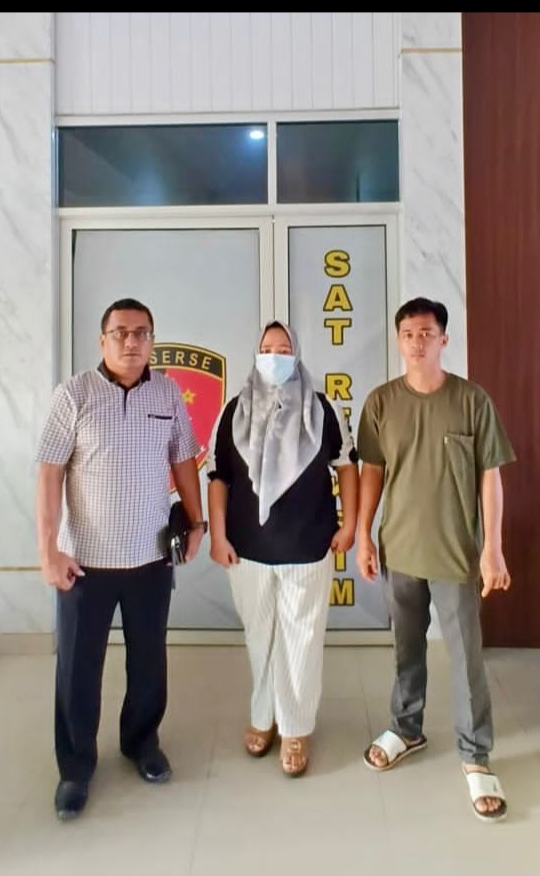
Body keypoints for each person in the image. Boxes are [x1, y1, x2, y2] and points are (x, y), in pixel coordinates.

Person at [35, 297, 206, 821]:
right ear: (102, 340)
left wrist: (197, 522)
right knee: (78, 669)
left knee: (149, 661)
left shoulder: (167, 392)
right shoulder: (74, 394)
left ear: (152, 339)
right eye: (120, 332)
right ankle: (74, 768)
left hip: (150, 559)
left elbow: (183, 460)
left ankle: (141, 743)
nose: (131, 341)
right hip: (84, 563)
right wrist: (48, 549)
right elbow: (50, 472)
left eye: (141, 332)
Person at [356, 297, 515, 823]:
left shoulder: (471, 400)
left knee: (466, 656)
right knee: (406, 648)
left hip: (456, 554)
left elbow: (490, 477)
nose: (417, 342)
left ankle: (476, 755)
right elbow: (372, 473)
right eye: (408, 333)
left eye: (426, 333)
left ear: (444, 339)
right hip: (399, 549)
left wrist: (492, 548)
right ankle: (406, 728)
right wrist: (363, 535)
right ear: (398, 340)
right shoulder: (381, 403)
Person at [207, 320, 359, 777]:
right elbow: (218, 477)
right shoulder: (234, 411)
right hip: (246, 549)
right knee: (260, 636)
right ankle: (264, 716)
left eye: (284, 348)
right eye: (268, 348)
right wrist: (217, 536)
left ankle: (295, 727)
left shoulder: (322, 409)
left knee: (302, 640)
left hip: (307, 545)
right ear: (256, 355)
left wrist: (350, 524)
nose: (275, 356)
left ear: (297, 355)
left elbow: (347, 466)